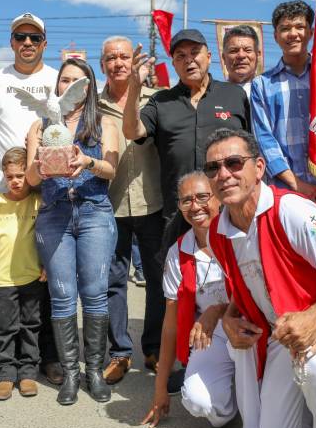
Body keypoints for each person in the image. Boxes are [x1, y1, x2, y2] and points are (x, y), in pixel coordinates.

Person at [205, 128, 316, 428]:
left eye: (234, 163)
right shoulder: (218, 231)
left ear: (259, 168)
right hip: (283, 335)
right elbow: (246, 287)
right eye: (213, 168)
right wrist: (229, 318)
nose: (223, 174)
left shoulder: (290, 210)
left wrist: (312, 319)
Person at [25, 58, 119, 405]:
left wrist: (87, 162)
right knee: (62, 295)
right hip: (54, 214)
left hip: (94, 211)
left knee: (94, 292)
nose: (69, 86)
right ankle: (70, 373)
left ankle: (94, 370)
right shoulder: (40, 126)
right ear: (57, 85)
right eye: (64, 80)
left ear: (89, 86)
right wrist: (40, 166)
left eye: (78, 81)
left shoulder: (104, 122)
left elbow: (111, 169)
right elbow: (33, 181)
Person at [0, 12, 62, 383]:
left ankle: (47, 357)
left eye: (34, 38)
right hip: (9, 191)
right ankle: (6, 363)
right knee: (12, 279)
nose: (27, 43)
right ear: (11, 42)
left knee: (46, 278)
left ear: (45, 42)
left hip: (51, 192)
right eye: (20, 37)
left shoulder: (57, 80)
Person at [142, 171, 247, 428]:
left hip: (251, 327)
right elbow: (170, 325)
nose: (195, 206)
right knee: (200, 403)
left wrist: (219, 310)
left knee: (262, 417)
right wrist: (160, 388)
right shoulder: (178, 252)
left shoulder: (241, 236)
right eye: (186, 200)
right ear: (178, 206)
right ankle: (233, 399)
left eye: (202, 197)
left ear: (218, 198)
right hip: (211, 336)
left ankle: (254, 398)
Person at [122, 29, 251, 224]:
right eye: (180, 56)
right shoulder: (160, 101)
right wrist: (134, 88)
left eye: (194, 52)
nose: (188, 60)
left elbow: (251, 148)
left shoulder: (235, 95)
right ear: (174, 64)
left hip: (230, 208)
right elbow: (132, 131)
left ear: (208, 57)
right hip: (181, 212)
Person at [97, 36, 165, 381]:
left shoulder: (156, 101)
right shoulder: (93, 106)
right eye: (111, 58)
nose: (118, 63)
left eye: (124, 57)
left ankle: (152, 348)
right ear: (102, 65)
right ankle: (120, 352)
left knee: (157, 280)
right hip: (110, 204)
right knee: (114, 281)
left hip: (153, 201)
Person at [0, 147, 47, 400]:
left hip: (32, 276)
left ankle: (28, 372)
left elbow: (44, 237)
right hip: (6, 279)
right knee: (4, 327)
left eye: (20, 175)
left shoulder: (38, 201)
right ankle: (6, 374)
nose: (16, 181)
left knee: (31, 325)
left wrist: (45, 265)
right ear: (4, 176)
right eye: (10, 177)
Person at [251, 0, 316, 201]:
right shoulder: (262, 84)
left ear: (311, 32)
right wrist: (296, 183)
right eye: (285, 28)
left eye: (300, 27)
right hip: (285, 192)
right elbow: (264, 139)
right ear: (275, 36)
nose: (293, 34)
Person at [222, 25, 260, 96]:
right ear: (224, 57)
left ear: (258, 55)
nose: (241, 55)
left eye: (248, 50)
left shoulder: (269, 93)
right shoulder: (214, 95)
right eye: (234, 51)